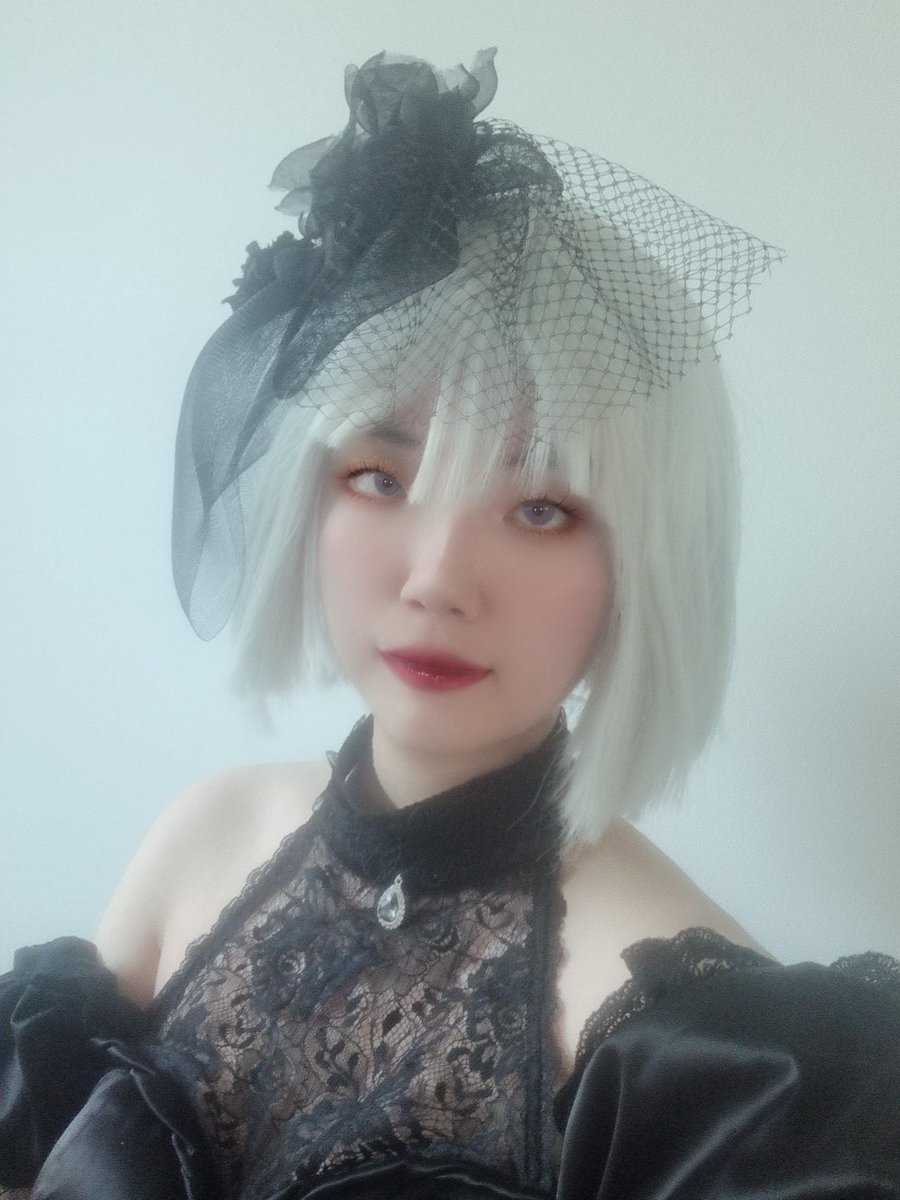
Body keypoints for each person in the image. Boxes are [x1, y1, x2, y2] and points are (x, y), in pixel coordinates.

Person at [1, 49, 898, 1200]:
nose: (436, 579)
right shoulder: (205, 834)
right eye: (381, 477)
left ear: (643, 567)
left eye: (541, 507)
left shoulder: (697, 1053)